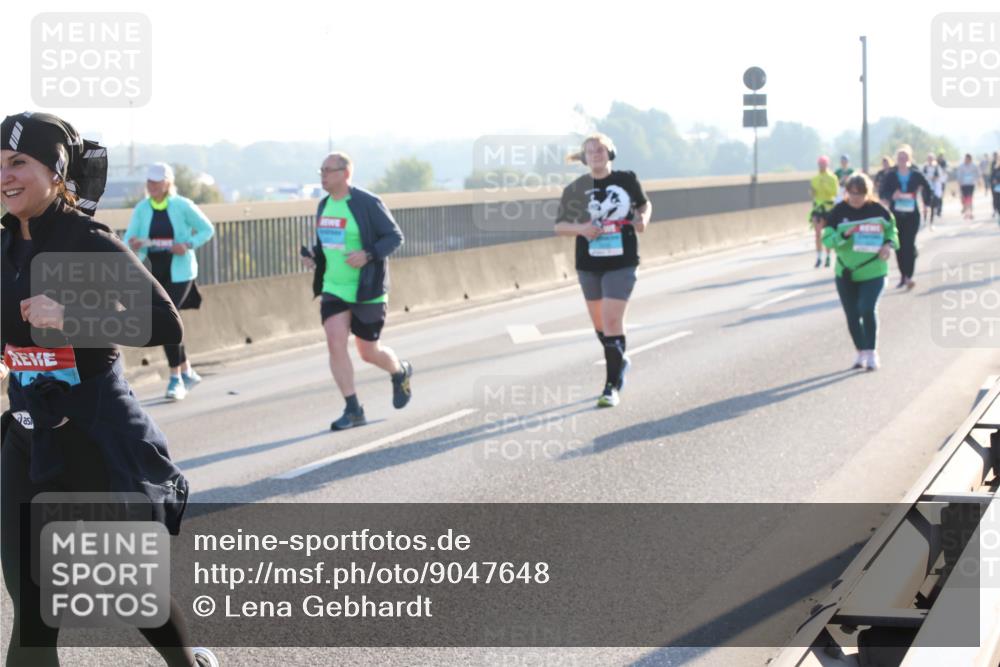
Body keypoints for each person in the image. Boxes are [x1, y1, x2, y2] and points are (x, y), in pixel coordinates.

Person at [0, 112, 218, 666]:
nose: (6, 175)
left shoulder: (86, 238)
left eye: (19, 161)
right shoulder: (2, 247)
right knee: (31, 614)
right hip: (27, 443)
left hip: (92, 441)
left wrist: (71, 314)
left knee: (133, 592)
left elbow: (165, 323)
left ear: (55, 170)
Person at [301, 152, 412, 430]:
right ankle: (353, 409)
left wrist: (369, 254)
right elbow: (329, 244)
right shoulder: (324, 205)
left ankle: (399, 371)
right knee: (334, 342)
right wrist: (314, 256)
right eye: (321, 170)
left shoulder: (367, 203)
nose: (323, 175)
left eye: (329, 170)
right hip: (334, 287)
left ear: (345, 173)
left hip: (366, 288)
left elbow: (394, 237)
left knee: (368, 352)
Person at [554, 133, 651, 408]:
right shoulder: (575, 189)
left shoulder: (626, 180)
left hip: (622, 262)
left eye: (601, 149)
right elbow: (560, 226)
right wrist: (582, 229)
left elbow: (645, 205)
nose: (596, 154)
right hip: (589, 264)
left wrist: (643, 218)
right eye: (590, 151)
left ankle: (611, 387)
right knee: (600, 326)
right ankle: (619, 358)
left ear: (611, 153)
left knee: (611, 322)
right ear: (585, 158)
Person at [124, 163, 215, 401]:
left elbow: (207, 229)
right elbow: (128, 238)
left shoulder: (182, 205)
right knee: (166, 321)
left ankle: (176, 378)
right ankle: (187, 371)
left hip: (181, 272)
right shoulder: (142, 208)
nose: (151, 185)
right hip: (153, 273)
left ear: (167, 183)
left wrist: (186, 245)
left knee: (166, 320)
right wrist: (133, 244)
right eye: (149, 181)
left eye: (156, 181)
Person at [823, 173, 899, 371]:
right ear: (846, 192)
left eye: (860, 193)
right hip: (846, 272)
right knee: (852, 314)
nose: (856, 197)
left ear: (868, 193)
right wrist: (844, 234)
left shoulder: (878, 210)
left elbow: (892, 231)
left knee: (867, 307)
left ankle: (872, 351)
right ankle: (860, 352)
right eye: (852, 193)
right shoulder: (838, 212)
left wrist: (888, 246)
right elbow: (827, 240)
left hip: (874, 270)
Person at [878, 144, 929, 291]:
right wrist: (892, 195)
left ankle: (909, 276)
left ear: (909, 158)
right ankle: (903, 275)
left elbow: (927, 187)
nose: (902, 160)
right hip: (896, 215)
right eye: (900, 157)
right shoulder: (891, 175)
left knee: (909, 244)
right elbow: (882, 191)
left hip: (912, 214)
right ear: (896, 159)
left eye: (905, 157)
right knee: (899, 246)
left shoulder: (916, 173)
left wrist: (927, 202)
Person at [808, 156, 838, 268]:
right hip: (818, 208)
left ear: (827, 165)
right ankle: (819, 257)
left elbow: (834, 192)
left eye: (823, 164)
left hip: (829, 207)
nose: (821, 166)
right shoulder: (815, 178)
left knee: (828, 233)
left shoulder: (832, 177)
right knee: (817, 234)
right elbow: (813, 194)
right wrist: (812, 193)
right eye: (820, 164)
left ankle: (828, 256)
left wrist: (825, 185)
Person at [920, 152, 945, 230]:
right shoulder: (924, 167)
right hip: (925, 189)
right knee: (924, 206)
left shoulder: (937, 167)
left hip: (933, 189)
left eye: (931, 158)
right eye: (929, 158)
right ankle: (924, 220)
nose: (930, 160)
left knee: (932, 207)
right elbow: (921, 177)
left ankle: (931, 222)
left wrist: (932, 178)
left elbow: (939, 177)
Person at [956, 153, 981, 220]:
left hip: (970, 184)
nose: (966, 160)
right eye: (965, 159)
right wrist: (959, 182)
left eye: (968, 159)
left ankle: (969, 213)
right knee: (964, 199)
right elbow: (959, 175)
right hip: (963, 184)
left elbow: (978, 173)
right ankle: (966, 210)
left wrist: (978, 180)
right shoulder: (961, 166)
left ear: (970, 159)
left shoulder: (974, 166)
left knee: (969, 199)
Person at [935, 153, 949, 218]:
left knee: (940, 196)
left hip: (942, 182)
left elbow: (945, 172)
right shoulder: (935, 164)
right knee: (936, 196)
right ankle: (936, 208)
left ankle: (939, 210)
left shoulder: (944, 164)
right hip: (936, 183)